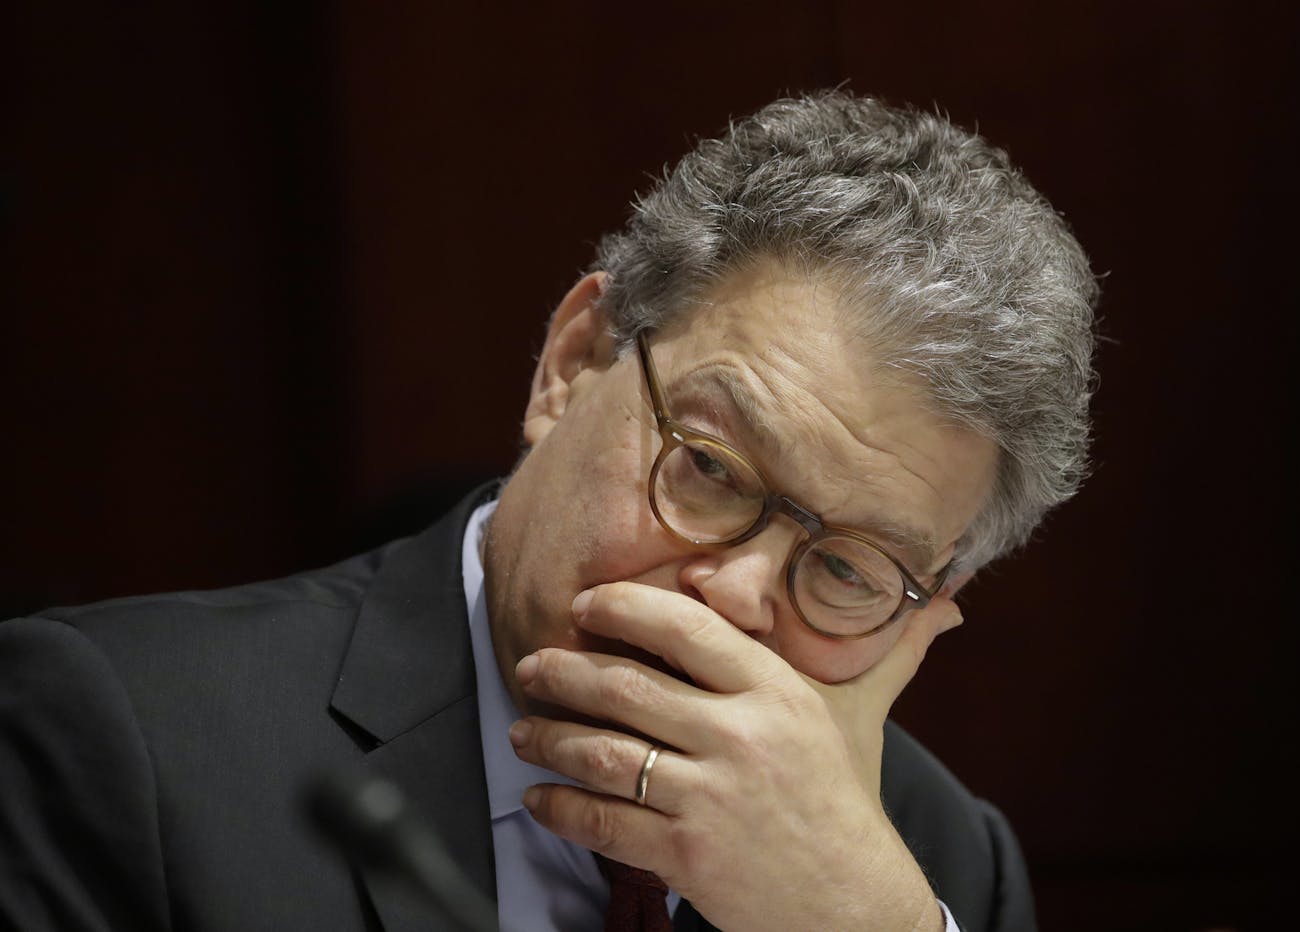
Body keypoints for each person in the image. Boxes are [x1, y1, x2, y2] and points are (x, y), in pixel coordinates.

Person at [0, 91, 1097, 932]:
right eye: (710, 466)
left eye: (849, 569)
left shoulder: (930, 861)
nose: (736, 593)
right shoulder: (123, 740)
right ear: (572, 365)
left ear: (929, 607)